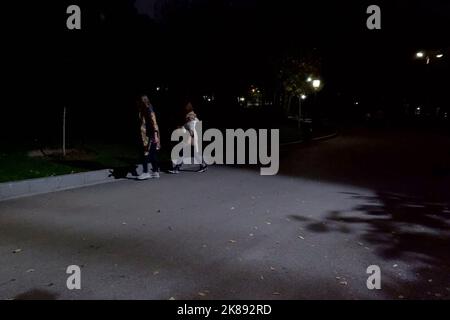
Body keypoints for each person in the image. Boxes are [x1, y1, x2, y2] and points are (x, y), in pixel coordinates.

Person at [169, 102, 207, 174]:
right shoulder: (192, 118)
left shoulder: (191, 118)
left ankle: (177, 168)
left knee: (183, 151)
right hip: (193, 137)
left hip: (192, 137)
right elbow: (187, 126)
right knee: (192, 153)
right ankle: (203, 165)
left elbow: (191, 130)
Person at [137, 95, 161, 180]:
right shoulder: (147, 108)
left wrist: (155, 135)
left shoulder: (147, 109)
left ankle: (145, 172)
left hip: (150, 134)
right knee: (153, 153)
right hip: (150, 133)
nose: (139, 103)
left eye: (140, 101)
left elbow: (152, 122)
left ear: (143, 101)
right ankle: (155, 171)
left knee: (146, 152)